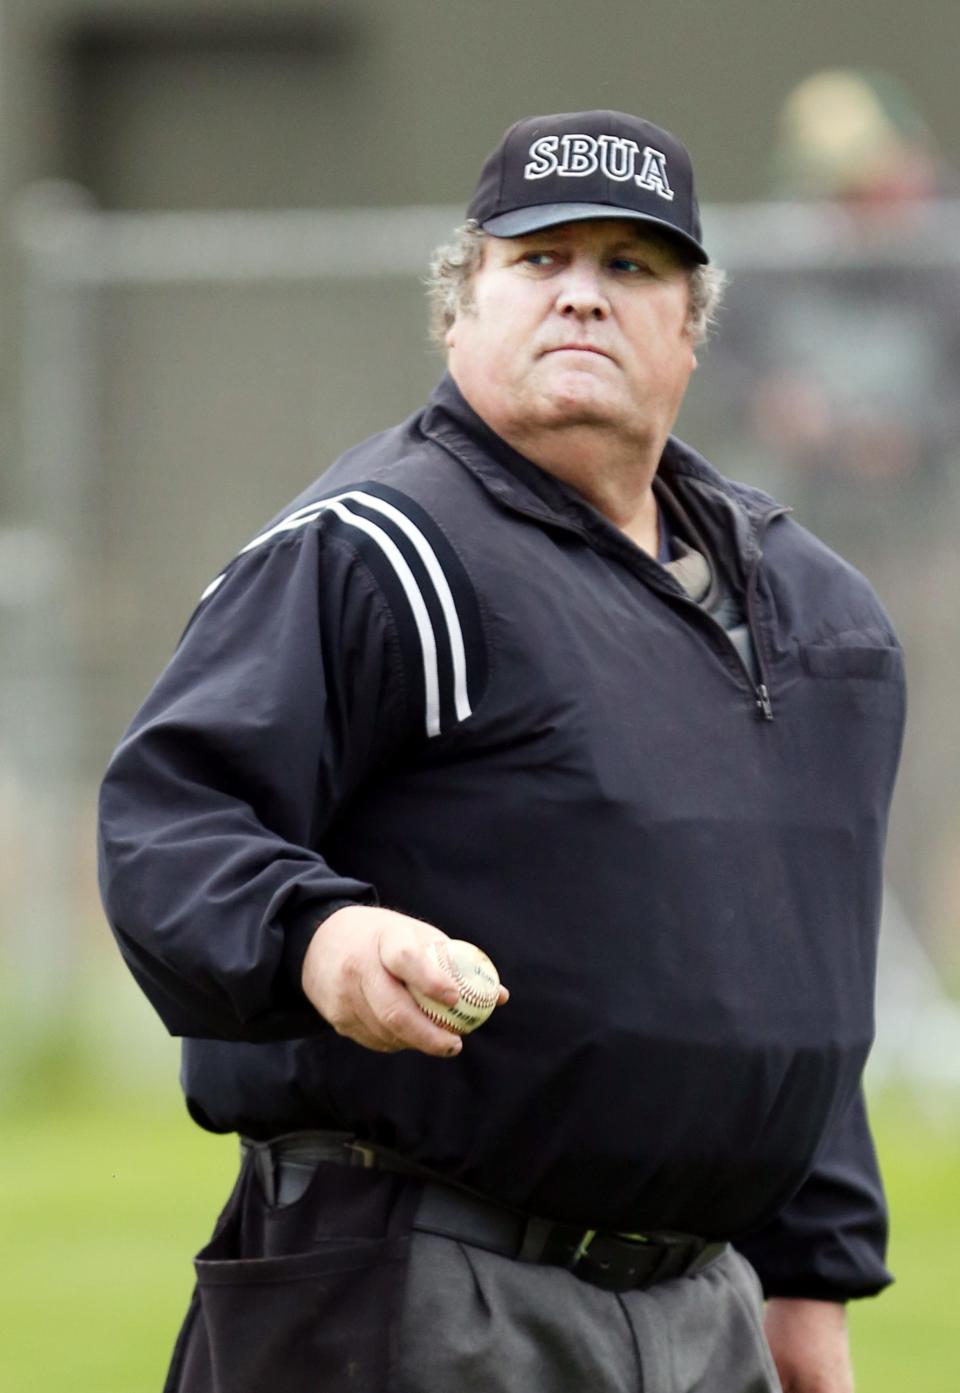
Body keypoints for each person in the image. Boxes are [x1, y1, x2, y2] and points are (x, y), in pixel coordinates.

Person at [98, 110, 906, 1393]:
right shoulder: (376, 549)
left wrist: (809, 1274)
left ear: (693, 330)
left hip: (706, 1313)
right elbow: (169, 819)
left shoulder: (818, 613)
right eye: (539, 261)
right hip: (417, 1288)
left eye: (631, 268)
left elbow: (801, 964)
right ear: (459, 308)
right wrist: (319, 936)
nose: (583, 296)